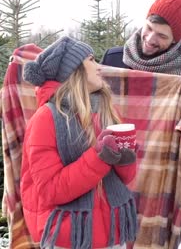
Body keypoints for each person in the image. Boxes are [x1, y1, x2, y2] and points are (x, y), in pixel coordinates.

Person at [20, 36, 138, 249]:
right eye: (91, 60)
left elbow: (126, 179)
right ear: (74, 70)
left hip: (112, 231)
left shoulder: (108, 111)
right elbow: (50, 191)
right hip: (70, 236)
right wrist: (100, 158)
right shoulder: (46, 118)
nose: (99, 66)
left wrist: (126, 160)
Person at [101, 0, 181, 160]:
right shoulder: (113, 59)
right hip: (112, 165)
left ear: (174, 40)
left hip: (156, 170)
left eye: (161, 35)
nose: (150, 39)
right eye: (149, 28)